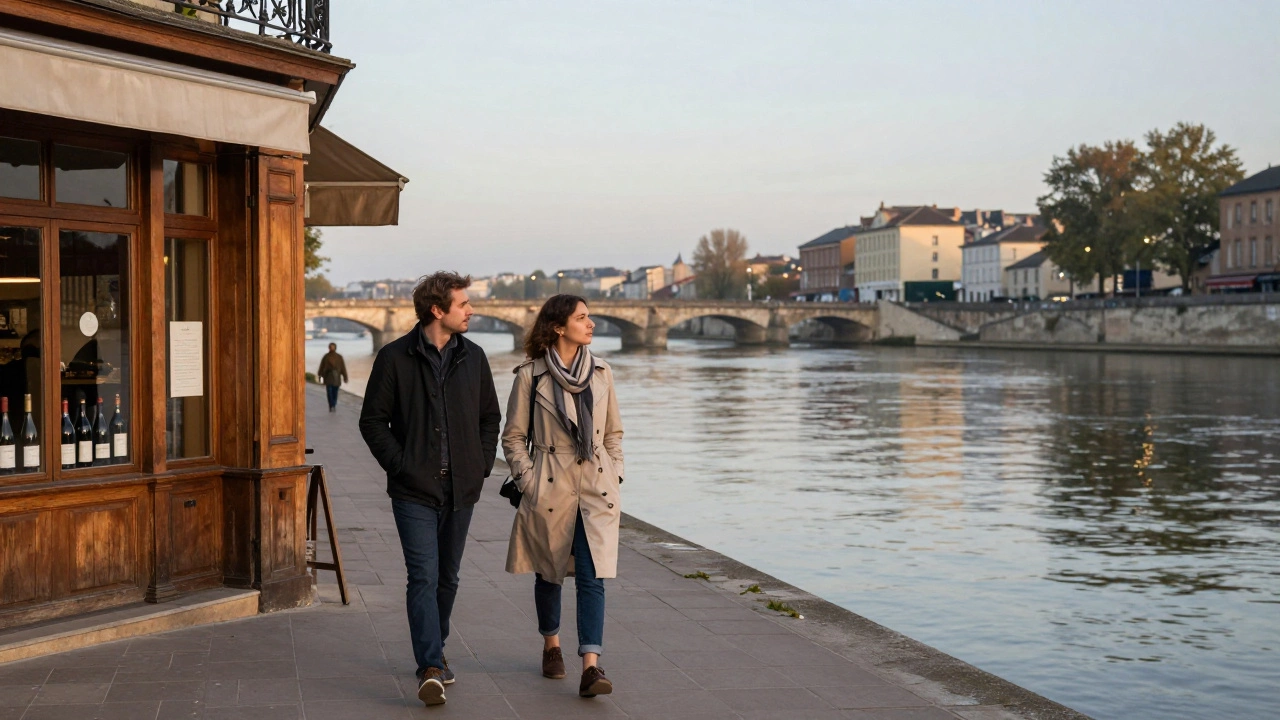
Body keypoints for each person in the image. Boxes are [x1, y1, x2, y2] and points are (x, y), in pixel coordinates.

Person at [358, 272, 501, 707]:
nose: (471, 309)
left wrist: (478, 467)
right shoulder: (394, 357)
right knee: (422, 574)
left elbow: (488, 418)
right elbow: (371, 422)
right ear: (438, 310)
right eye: (463, 304)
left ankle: (434, 648)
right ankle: (430, 666)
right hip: (413, 491)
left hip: (462, 489)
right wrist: (402, 467)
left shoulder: (473, 357)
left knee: (447, 576)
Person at [502, 294, 625, 698]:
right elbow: (514, 437)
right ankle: (551, 644)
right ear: (558, 327)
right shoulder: (531, 376)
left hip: (595, 487)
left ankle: (591, 664)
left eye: (589, 318)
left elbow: (613, 434)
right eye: (582, 318)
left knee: (593, 577)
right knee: (549, 571)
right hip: (550, 484)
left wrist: (616, 474)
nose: (591, 324)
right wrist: (529, 481)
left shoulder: (603, 372)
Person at [317, 342, 348, 412]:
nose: (331, 348)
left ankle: (334, 404)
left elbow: (343, 368)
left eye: (333, 347)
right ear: (329, 348)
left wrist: (345, 377)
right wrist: (320, 378)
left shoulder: (339, 357)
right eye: (330, 347)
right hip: (328, 377)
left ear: (335, 348)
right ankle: (331, 405)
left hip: (337, 378)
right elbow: (321, 368)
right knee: (329, 392)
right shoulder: (326, 357)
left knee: (335, 392)